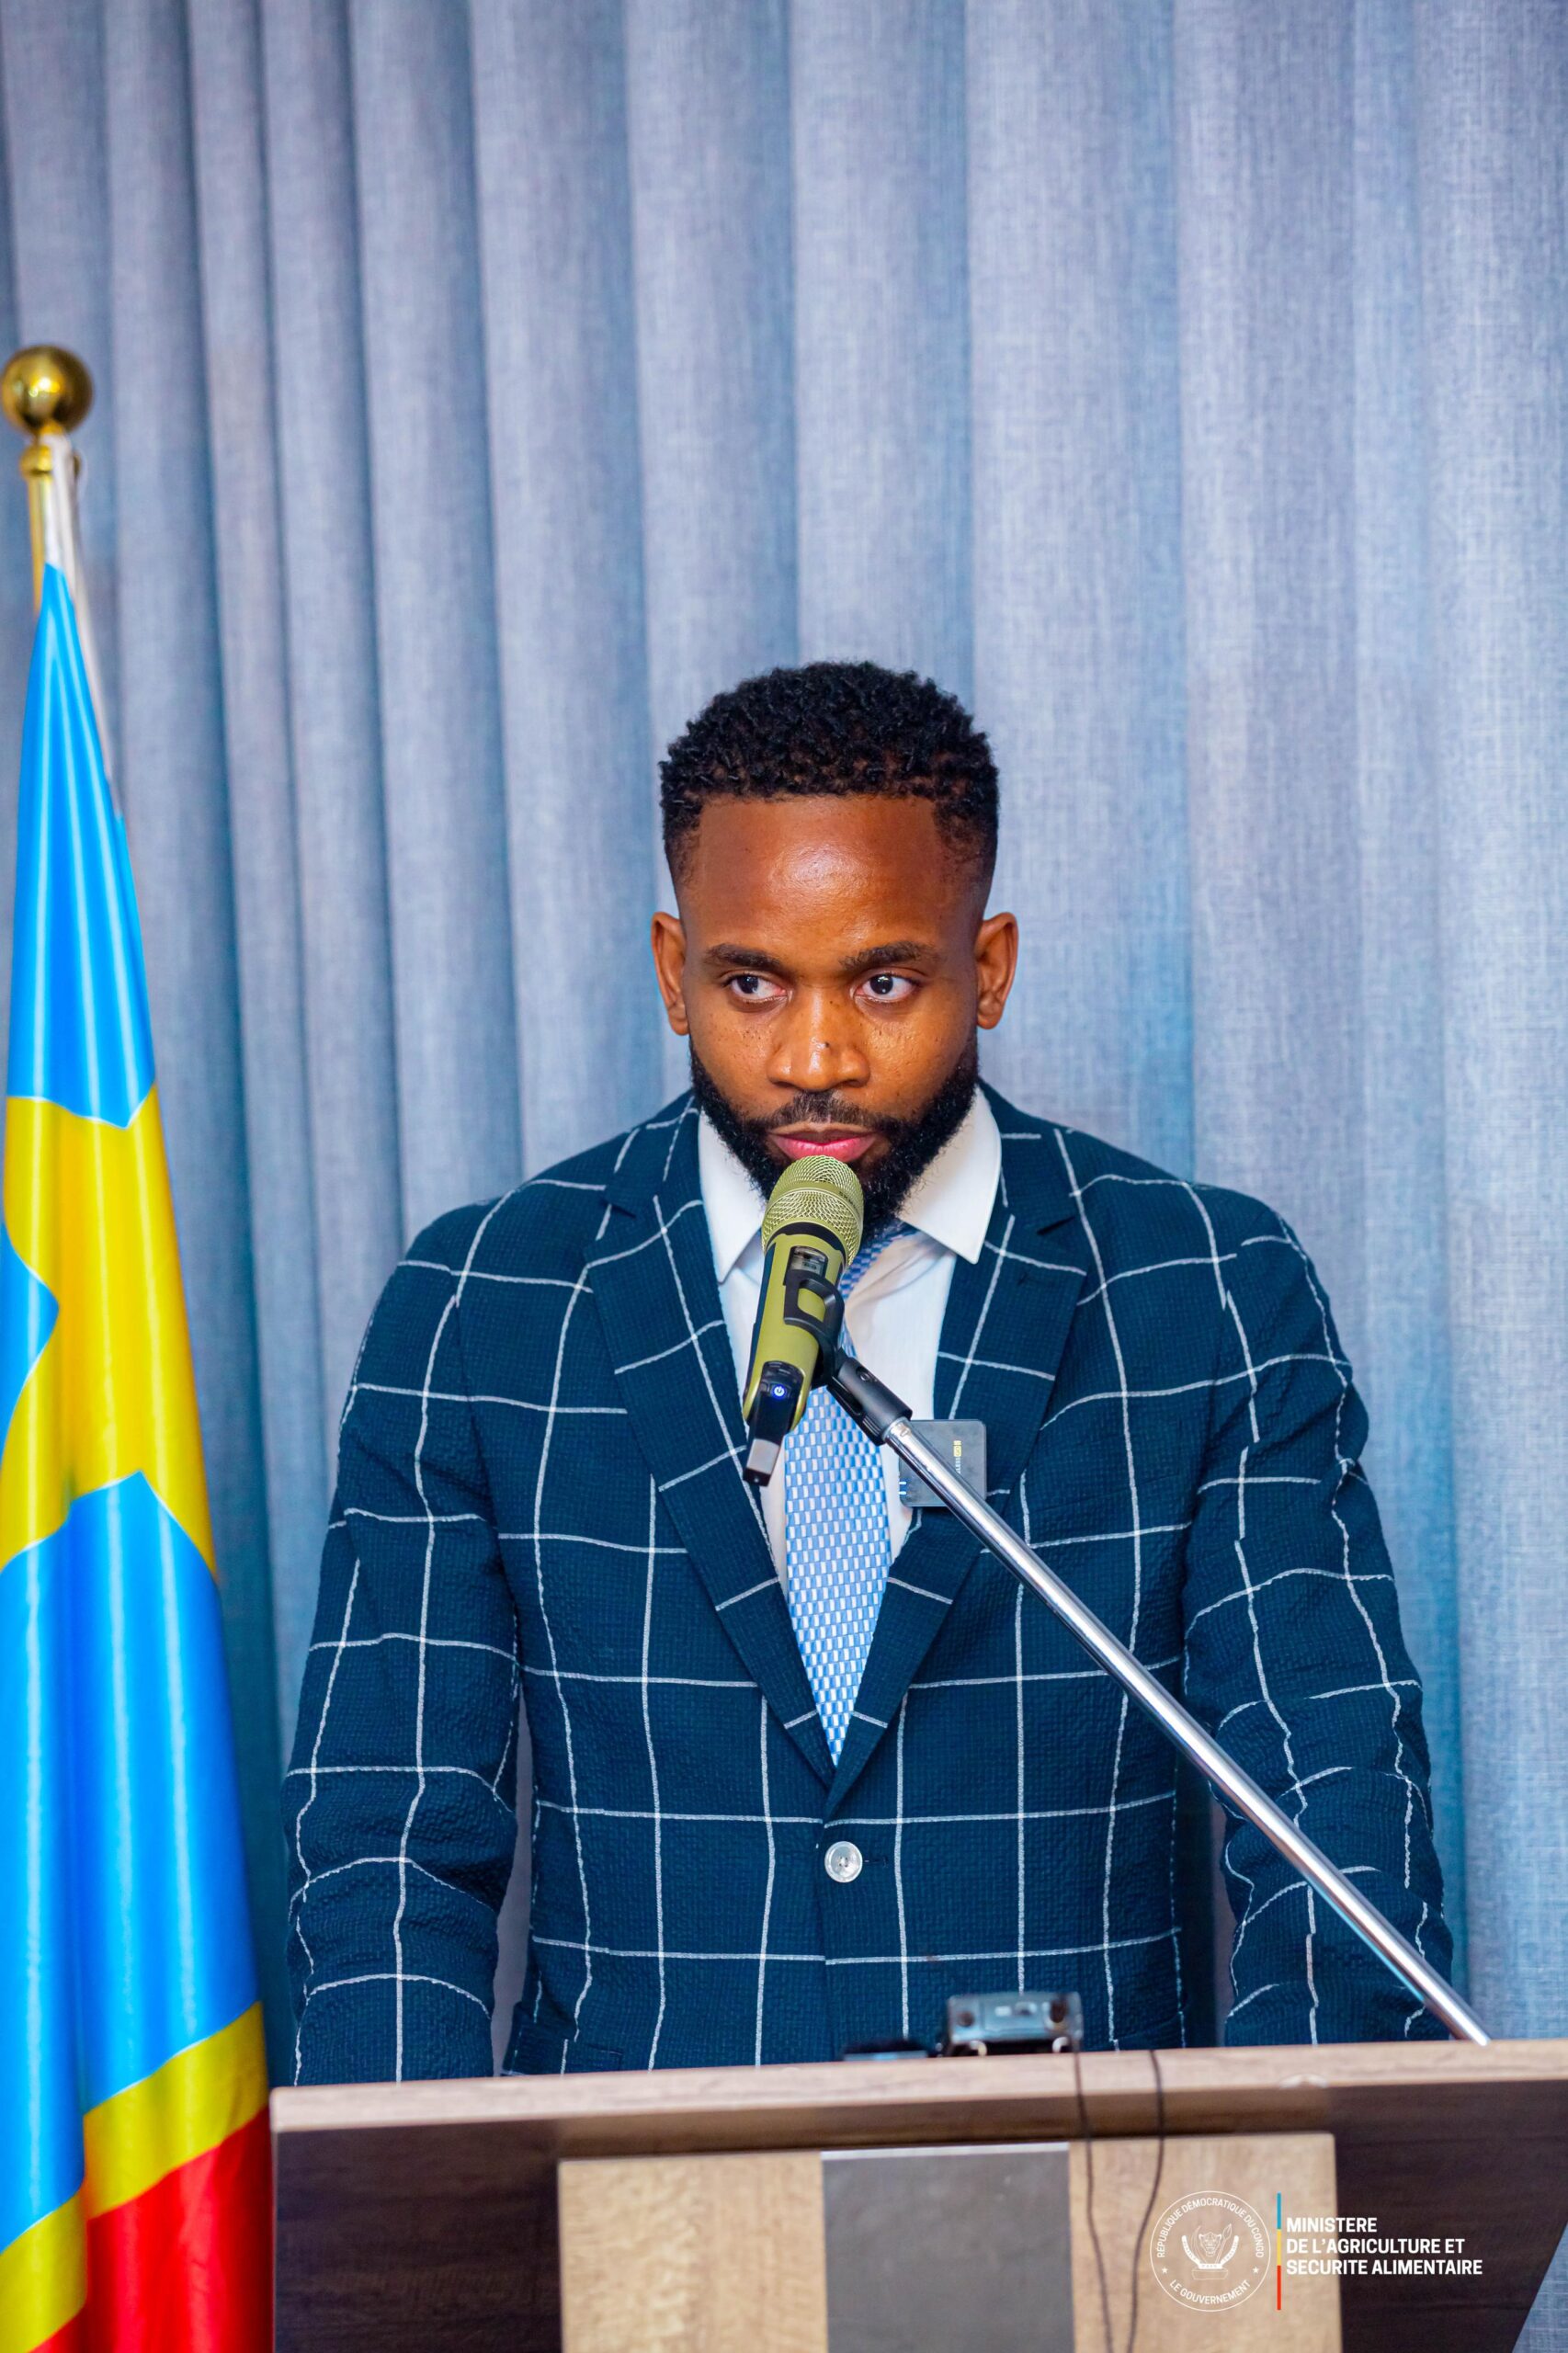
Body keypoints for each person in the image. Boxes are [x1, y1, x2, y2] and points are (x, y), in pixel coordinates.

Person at [284, 660, 1450, 2083]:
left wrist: (1300, 2189)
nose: (817, 1056)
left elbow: (1333, 1796)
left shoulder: (1200, 1286)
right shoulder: (485, 1299)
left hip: (1081, 2174)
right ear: (671, 970)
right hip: (638, 2184)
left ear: (988, 967)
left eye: (884, 981)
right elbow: (389, 1834)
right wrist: (421, 2211)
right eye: (751, 983)